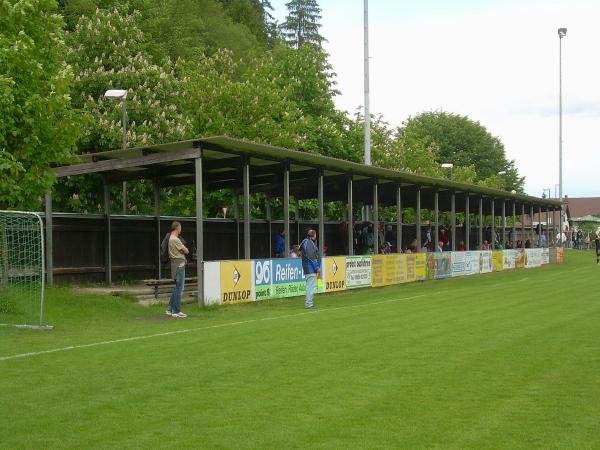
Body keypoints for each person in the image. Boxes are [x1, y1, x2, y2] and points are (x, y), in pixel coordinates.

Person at [167, 221, 189, 318]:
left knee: (177, 287)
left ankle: (169, 309)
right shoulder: (175, 239)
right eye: (180, 228)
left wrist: (181, 250)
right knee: (180, 288)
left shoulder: (170, 238)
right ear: (177, 228)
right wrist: (183, 250)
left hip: (175, 264)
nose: (181, 229)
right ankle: (176, 311)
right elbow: (186, 251)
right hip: (179, 264)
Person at [300, 229, 321, 310]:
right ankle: (309, 304)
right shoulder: (309, 243)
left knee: (311, 286)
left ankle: (309, 303)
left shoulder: (307, 242)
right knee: (310, 286)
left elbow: (300, 249)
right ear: (314, 235)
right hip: (310, 268)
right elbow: (312, 257)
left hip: (309, 268)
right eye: (315, 235)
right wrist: (317, 268)